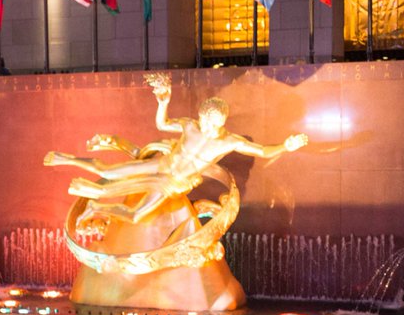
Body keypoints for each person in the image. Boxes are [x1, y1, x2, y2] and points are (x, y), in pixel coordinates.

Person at [44, 73, 308, 233]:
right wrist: (163, 102)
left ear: (221, 121)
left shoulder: (228, 141)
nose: (207, 127)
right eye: (205, 121)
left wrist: (285, 146)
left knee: (135, 215)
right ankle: (65, 158)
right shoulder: (190, 126)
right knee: (107, 171)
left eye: (213, 124)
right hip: (162, 165)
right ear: (202, 117)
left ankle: (96, 207)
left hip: (173, 183)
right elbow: (163, 124)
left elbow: (262, 151)